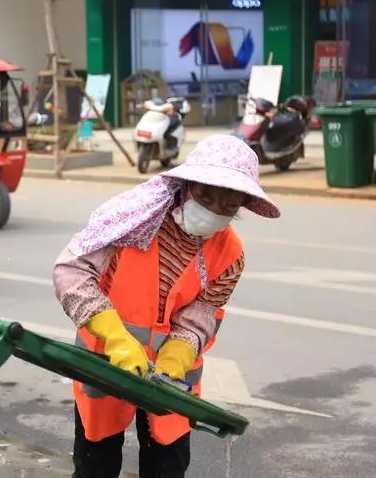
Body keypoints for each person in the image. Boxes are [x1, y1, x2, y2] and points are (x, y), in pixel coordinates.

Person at [53, 135, 280, 478]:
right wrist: (115, 337)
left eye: (228, 205)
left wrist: (178, 353)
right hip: (106, 361)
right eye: (205, 196)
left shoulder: (230, 253)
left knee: (168, 466)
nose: (213, 210)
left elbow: (203, 314)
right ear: (186, 185)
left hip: (174, 379)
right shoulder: (133, 218)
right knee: (95, 463)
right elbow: (71, 272)